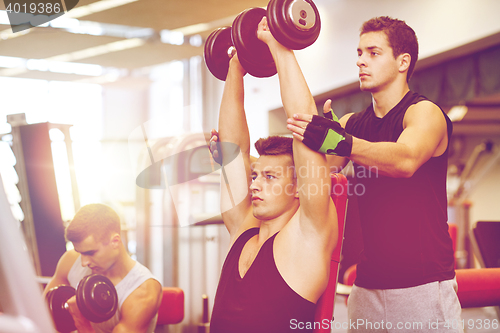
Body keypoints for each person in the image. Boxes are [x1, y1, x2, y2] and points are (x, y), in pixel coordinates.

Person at [285, 16, 462, 332]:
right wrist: (238, 162)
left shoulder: (424, 113)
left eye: (373, 53)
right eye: (359, 53)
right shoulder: (353, 123)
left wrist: (342, 142)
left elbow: (405, 160)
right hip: (366, 287)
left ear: (402, 61)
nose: (360, 61)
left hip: (423, 287)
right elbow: (314, 180)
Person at [208, 17, 338, 333]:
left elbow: (304, 124)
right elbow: (233, 148)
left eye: (270, 177)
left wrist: (280, 46)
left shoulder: (307, 237)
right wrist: (235, 68)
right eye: (256, 176)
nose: (255, 184)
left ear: (298, 187)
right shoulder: (243, 228)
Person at [43, 203, 163, 333]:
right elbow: (41, 310)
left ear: (115, 242)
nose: (83, 262)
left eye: (90, 253)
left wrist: (81, 320)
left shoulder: (142, 291)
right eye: (80, 252)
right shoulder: (71, 260)